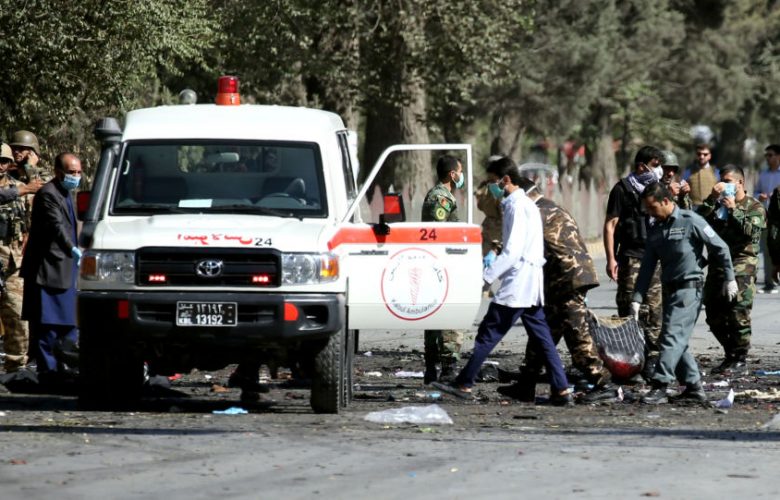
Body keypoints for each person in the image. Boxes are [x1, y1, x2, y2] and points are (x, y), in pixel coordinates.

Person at [432, 157, 572, 406]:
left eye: (493, 182)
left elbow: (512, 252)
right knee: (543, 340)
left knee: (489, 333)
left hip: (518, 283)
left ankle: (464, 383)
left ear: (506, 180)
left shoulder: (516, 206)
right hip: (529, 283)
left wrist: (484, 278)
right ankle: (561, 389)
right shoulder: (525, 205)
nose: (490, 188)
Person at [499, 176, 615, 404]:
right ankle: (526, 383)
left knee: (576, 333)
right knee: (542, 333)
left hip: (566, 279)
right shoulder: (551, 208)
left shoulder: (533, 212)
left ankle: (604, 384)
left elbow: (519, 250)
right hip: (564, 278)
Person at [632, 182, 735, 405]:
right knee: (675, 340)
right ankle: (693, 387)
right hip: (669, 292)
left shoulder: (691, 220)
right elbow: (647, 267)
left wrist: (730, 277)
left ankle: (660, 385)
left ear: (665, 201)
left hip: (689, 290)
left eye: (652, 207)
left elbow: (720, 247)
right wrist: (637, 298)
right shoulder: (656, 230)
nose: (650, 213)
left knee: (671, 337)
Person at [20, 153, 82, 388]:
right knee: (48, 326)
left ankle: (67, 370)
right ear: (58, 171)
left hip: (66, 269)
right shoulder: (48, 194)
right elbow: (57, 227)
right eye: (71, 172)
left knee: (69, 324)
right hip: (48, 269)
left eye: (78, 172)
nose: (76, 176)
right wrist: (73, 249)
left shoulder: (66, 193)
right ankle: (49, 373)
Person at [696, 165, 765, 375]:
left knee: (737, 311)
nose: (723, 185)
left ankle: (740, 357)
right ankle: (730, 353)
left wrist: (734, 209)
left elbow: (750, 232)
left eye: (727, 181)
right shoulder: (718, 206)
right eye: (721, 181)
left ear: (739, 183)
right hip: (718, 264)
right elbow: (698, 221)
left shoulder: (754, 206)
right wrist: (711, 198)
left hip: (742, 264)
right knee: (713, 312)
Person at [603, 145, 663, 379]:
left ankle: (653, 359)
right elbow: (611, 225)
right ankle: (632, 360)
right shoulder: (622, 189)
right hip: (631, 257)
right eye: (655, 165)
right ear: (641, 167)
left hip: (655, 256)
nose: (658, 170)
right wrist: (611, 259)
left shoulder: (658, 189)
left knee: (654, 310)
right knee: (629, 309)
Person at [420, 154, 466, 384]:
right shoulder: (441, 198)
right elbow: (437, 233)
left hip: (438, 263)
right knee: (448, 315)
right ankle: (447, 367)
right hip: (441, 264)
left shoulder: (441, 195)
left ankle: (433, 367)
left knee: (435, 315)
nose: (462, 175)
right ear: (452, 174)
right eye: (460, 171)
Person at [0, 143, 40, 373]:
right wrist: (21, 191)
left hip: (11, 264)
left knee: (17, 317)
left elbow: (36, 209)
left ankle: (15, 369)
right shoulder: (19, 190)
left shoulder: (19, 186)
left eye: (4, 161)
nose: (0, 166)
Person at [753, 144, 780, 293]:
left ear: (778, 156)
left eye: (770, 155)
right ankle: (770, 283)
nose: (768, 158)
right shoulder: (763, 175)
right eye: (766, 156)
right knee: (768, 250)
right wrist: (760, 196)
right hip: (767, 217)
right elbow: (756, 192)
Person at [475, 155, 504, 257]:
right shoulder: (486, 186)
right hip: (489, 230)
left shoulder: (503, 187)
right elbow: (481, 206)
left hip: (499, 234)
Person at [682, 143, 719, 209]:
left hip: (711, 209)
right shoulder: (688, 171)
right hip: (693, 208)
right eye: (699, 154)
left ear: (710, 156)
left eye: (705, 154)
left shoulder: (716, 172)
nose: (702, 157)